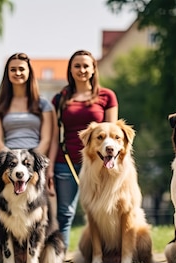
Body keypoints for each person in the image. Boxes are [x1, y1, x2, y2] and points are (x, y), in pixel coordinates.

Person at [49, 49, 119, 248]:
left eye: (86, 65)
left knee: (102, 210)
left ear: (93, 68)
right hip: (67, 162)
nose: (82, 69)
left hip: (99, 163)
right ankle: (60, 256)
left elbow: (112, 136)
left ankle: (105, 253)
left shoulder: (107, 96)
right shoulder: (60, 98)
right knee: (65, 213)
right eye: (77, 66)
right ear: (70, 70)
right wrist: (50, 167)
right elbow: (55, 137)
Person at [0, 52, 55, 155]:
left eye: (21, 69)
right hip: (8, 162)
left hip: (35, 162)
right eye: (13, 70)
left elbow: (46, 140)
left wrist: (29, 161)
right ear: (7, 73)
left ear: (29, 72)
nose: (17, 73)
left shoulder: (43, 104)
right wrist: (14, 161)